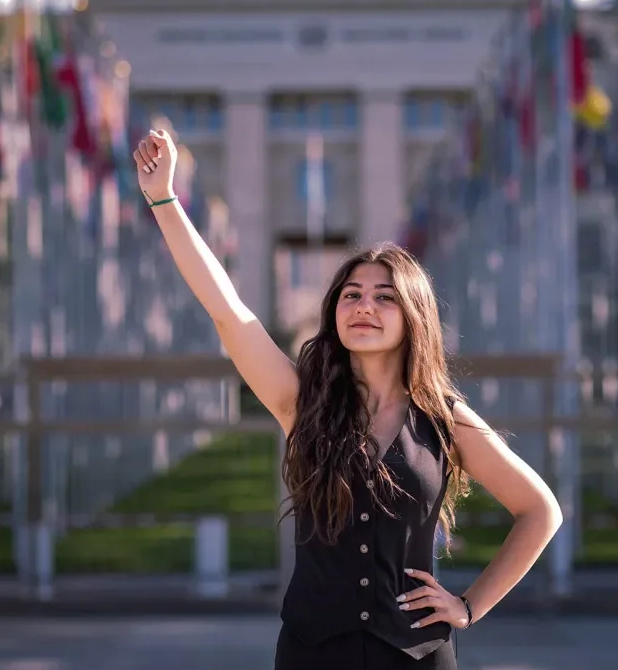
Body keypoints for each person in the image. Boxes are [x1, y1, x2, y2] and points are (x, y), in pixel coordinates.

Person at [134, 130, 562, 670]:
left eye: (385, 297)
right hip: (312, 654)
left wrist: (468, 606)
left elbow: (540, 511)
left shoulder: (444, 419)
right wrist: (164, 199)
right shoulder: (300, 402)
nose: (364, 306)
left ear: (413, 318)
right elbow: (229, 310)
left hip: (417, 656)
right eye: (352, 295)